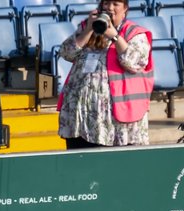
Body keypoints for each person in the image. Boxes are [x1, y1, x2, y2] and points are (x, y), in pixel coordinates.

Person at [57, 0, 152, 149]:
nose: (110, 8)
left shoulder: (133, 33)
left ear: (125, 8)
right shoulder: (87, 27)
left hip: (115, 121)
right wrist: (88, 29)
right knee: (79, 164)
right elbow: (66, 53)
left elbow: (136, 63)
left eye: (116, 4)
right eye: (106, 3)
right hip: (80, 116)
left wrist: (114, 36)